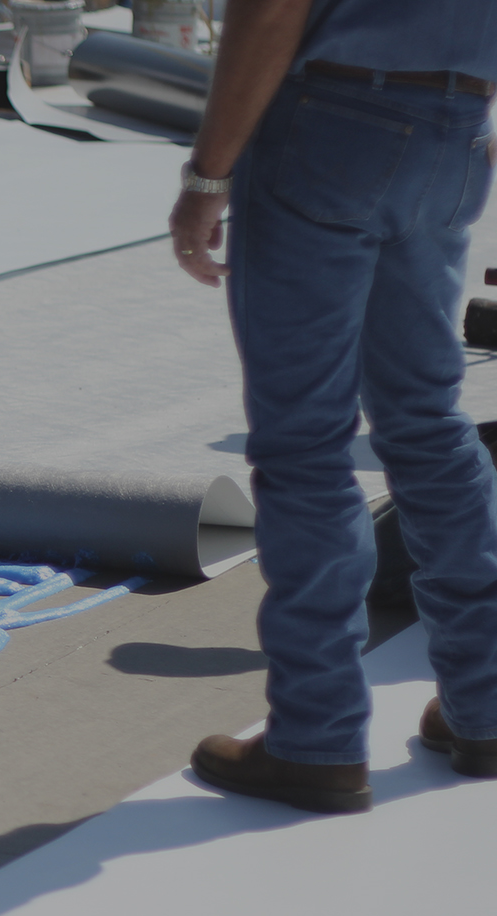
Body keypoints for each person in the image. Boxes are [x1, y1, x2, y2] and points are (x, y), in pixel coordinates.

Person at [175, 0, 497, 813]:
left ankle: (316, 737)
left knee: (305, 439)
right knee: (429, 421)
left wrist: (208, 173)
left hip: (330, 121)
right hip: (457, 125)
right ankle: (487, 705)